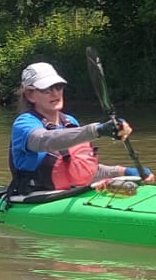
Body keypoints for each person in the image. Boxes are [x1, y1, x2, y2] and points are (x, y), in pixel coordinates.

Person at [8, 62, 140, 197]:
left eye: (58, 87)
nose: (55, 93)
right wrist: (97, 130)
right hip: (36, 200)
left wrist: (122, 172)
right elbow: (44, 141)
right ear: (30, 95)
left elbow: (82, 168)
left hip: (69, 195)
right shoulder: (24, 124)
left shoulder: (70, 122)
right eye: (46, 89)